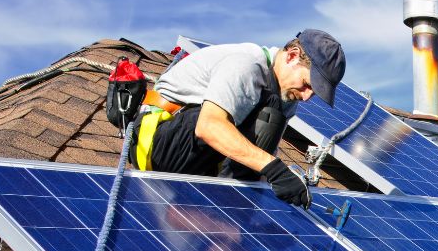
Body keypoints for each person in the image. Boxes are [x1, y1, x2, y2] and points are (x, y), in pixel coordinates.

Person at [131, 29, 345, 208]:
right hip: (157, 142)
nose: (307, 97)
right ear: (291, 56)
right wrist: (275, 169)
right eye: (307, 84)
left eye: (314, 93)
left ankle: (229, 211)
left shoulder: (285, 98)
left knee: (272, 115)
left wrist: (277, 201)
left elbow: (263, 158)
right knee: (264, 114)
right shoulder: (247, 64)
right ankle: (225, 207)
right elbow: (208, 126)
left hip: (197, 156)